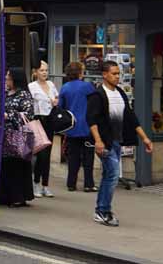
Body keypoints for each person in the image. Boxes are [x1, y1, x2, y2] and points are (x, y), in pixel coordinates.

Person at [87, 61, 154, 226]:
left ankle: (100, 211)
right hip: (105, 142)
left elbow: (131, 117)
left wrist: (145, 138)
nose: (118, 76)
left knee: (108, 175)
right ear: (104, 75)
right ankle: (103, 211)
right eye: (114, 73)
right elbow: (92, 120)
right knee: (113, 174)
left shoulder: (120, 93)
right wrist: (98, 141)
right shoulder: (98, 95)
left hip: (117, 142)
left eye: (119, 74)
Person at [0, 67, 35, 207]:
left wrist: (9, 115)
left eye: (9, 77)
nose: (6, 80)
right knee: (5, 166)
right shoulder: (5, 93)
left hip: (19, 136)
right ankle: (3, 196)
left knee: (17, 166)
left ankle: (18, 197)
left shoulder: (24, 95)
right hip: (4, 136)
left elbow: (28, 115)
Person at [58, 61, 96, 192]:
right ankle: (88, 184)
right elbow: (94, 105)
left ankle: (71, 183)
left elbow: (61, 108)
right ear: (80, 73)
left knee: (73, 158)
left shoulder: (65, 87)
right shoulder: (88, 87)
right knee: (88, 158)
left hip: (72, 127)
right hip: (87, 126)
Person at [28, 61, 58, 198]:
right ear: (35, 72)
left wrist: (55, 101)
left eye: (46, 70)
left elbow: (56, 97)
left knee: (48, 154)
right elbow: (29, 104)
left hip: (50, 119)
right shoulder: (32, 86)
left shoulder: (51, 84)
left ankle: (45, 185)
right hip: (39, 120)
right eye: (41, 70)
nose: (44, 73)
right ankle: (36, 183)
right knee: (41, 154)